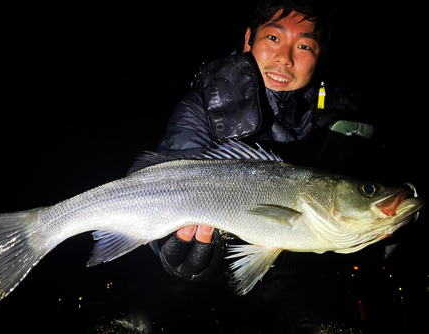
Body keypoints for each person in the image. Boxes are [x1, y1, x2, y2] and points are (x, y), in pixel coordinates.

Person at [152, 0, 372, 331]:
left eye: (303, 45)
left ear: (320, 55)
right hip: (211, 271)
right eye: (273, 38)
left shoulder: (343, 119)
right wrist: (167, 246)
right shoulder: (201, 105)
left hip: (296, 274)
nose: (285, 57)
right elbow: (163, 185)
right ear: (248, 39)